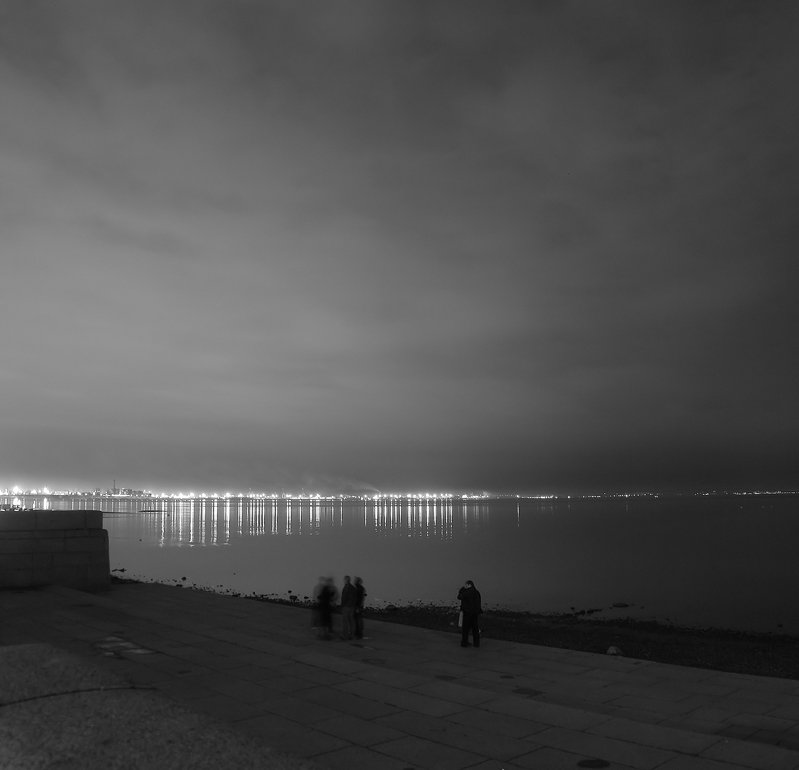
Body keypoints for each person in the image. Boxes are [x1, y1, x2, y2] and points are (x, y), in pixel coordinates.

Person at [457, 579, 482, 648]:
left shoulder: (466, 592)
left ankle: (464, 643)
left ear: (469, 585)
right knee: (475, 629)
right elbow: (478, 603)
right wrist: (478, 611)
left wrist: (462, 589)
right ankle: (476, 643)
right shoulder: (477, 592)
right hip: (475, 613)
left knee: (465, 629)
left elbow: (459, 597)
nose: (464, 585)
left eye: (465, 584)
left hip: (467, 612)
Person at [340, 575, 357, 639]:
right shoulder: (353, 588)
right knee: (351, 621)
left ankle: (345, 635)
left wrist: (342, 605)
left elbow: (344, 597)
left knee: (345, 621)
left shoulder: (346, 587)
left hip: (346, 607)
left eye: (344, 579)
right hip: (352, 607)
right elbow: (355, 598)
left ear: (346, 580)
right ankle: (352, 634)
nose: (343, 581)